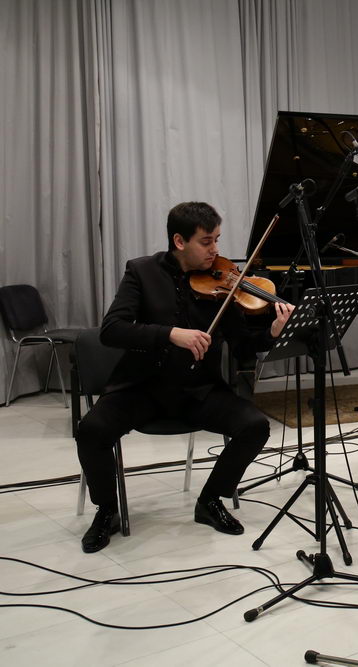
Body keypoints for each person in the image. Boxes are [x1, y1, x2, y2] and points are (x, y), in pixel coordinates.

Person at [76, 202, 293, 553]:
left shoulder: (224, 282)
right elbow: (112, 329)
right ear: (179, 241)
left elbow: (242, 346)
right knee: (91, 430)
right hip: (142, 388)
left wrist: (272, 332)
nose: (215, 250)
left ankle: (210, 500)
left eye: (217, 239)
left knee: (254, 426)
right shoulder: (141, 272)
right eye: (206, 242)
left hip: (198, 390)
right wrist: (169, 334)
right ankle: (107, 511)